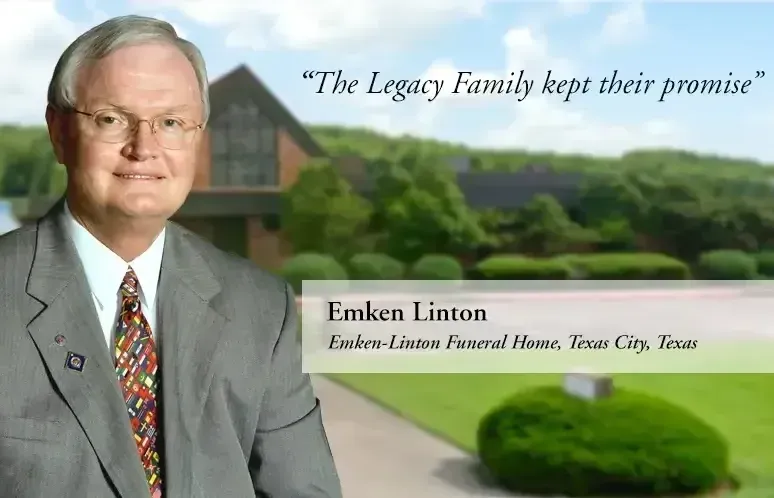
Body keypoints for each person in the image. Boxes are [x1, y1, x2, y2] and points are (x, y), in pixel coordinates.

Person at [0, 15, 342, 498]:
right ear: (58, 132)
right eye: (112, 119)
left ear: (197, 138)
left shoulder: (263, 310)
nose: (144, 148)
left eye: (171, 123)